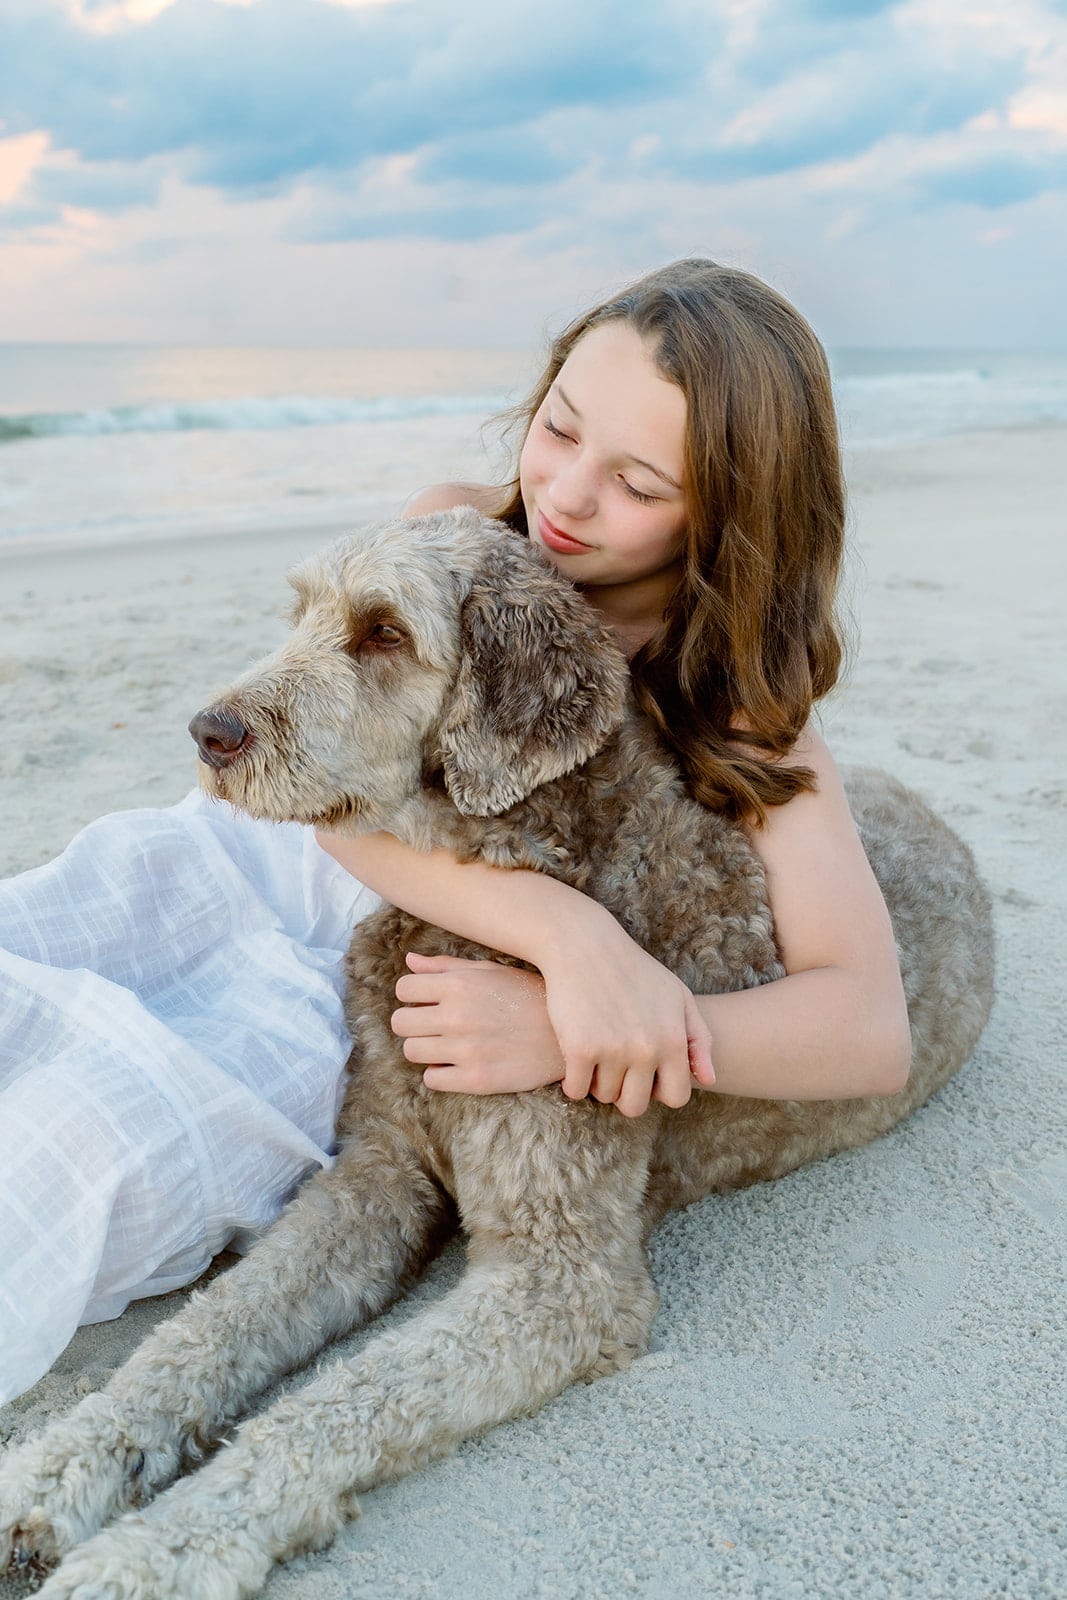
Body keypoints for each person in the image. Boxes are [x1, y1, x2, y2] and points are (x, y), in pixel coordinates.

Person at [0, 259, 910, 1404]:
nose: (566, 495)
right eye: (558, 427)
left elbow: (868, 1028)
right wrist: (574, 941)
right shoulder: (453, 530)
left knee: (118, 1128)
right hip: (281, 841)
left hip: (401, 973)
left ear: (728, 515)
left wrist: (587, 1025)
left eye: (636, 481)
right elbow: (336, 810)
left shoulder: (738, 703)